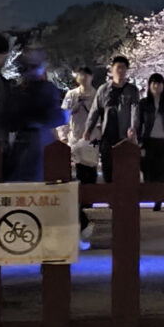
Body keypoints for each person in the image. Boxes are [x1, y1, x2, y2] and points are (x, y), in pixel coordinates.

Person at [5, 48, 68, 182]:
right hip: (40, 140)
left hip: (20, 141)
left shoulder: (17, 91)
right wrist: (64, 115)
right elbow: (52, 117)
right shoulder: (46, 89)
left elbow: (11, 120)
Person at [84, 55, 139, 183]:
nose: (120, 71)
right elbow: (95, 110)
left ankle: (124, 200)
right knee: (108, 170)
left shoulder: (132, 90)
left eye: (123, 68)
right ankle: (111, 199)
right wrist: (88, 130)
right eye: (118, 67)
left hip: (124, 136)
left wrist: (133, 129)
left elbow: (135, 110)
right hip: (107, 135)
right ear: (112, 70)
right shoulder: (103, 90)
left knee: (125, 170)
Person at [60, 66, 98, 245]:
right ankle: (81, 212)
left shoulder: (97, 94)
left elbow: (101, 116)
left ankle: (86, 208)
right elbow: (63, 116)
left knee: (89, 174)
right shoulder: (71, 94)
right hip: (75, 139)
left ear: (91, 77)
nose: (83, 79)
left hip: (92, 140)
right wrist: (63, 137)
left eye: (86, 76)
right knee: (76, 176)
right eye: (80, 76)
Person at [135, 73, 164, 210]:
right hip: (149, 142)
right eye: (153, 83)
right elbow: (138, 125)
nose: (156, 86)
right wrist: (140, 144)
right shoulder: (143, 104)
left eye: (158, 83)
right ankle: (157, 199)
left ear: (163, 86)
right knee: (152, 173)